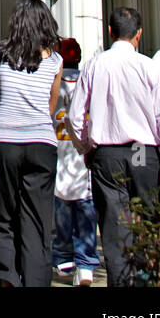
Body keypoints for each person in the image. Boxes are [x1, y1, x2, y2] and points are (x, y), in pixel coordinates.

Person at [67, 6, 160, 287]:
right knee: (148, 222)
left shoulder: (94, 65)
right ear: (139, 35)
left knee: (113, 228)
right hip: (145, 154)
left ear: (110, 31)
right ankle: (146, 280)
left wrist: (86, 148)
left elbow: (74, 117)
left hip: (106, 154)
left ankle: (119, 284)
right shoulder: (149, 67)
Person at [0, 0, 62, 289]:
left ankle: (7, 280)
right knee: (37, 221)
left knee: (4, 215)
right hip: (42, 144)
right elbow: (51, 107)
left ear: (16, 22)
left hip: (3, 141)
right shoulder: (56, 60)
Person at [51, 37, 100, 286]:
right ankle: (86, 264)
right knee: (86, 211)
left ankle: (62, 259)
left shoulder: (53, 81)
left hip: (58, 152)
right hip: (85, 153)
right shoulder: (88, 81)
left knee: (61, 209)